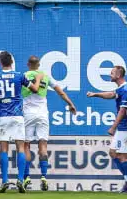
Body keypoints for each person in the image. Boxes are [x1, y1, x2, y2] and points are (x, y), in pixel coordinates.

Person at [22, 55, 78, 190]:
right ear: (39, 64)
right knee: (43, 146)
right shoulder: (45, 76)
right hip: (42, 114)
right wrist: (70, 104)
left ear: (28, 64)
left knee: (26, 145)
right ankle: (43, 176)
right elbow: (60, 92)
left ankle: (27, 177)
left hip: (27, 113)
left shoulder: (23, 75)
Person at [86, 66, 127, 193]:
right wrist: (96, 94)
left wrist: (113, 127)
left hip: (126, 127)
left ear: (119, 75)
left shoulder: (126, 88)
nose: (110, 75)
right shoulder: (121, 88)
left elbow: (123, 109)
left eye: (112, 73)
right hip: (122, 127)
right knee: (113, 153)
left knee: (123, 156)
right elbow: (111, 94)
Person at [0, 51, 28, 192]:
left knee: (4, 149)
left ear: (0, 63)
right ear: (12, 62)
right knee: (21, 148)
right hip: (17, 115)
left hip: (2, 115)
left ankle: (5, 180)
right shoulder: (19, 75)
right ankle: (20, 179)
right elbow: (34, 89)